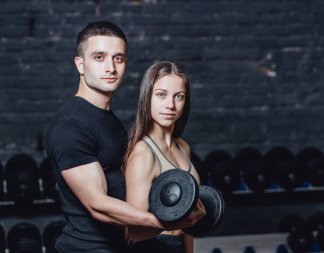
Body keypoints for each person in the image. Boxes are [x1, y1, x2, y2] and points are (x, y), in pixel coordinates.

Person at [44, 21, 205, 253]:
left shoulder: (109, 119)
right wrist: (169, 222)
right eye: (99, 57)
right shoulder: (70, 125)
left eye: (118, 58)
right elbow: (97, 205)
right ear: (80, 64)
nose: (110, 67)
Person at [124, 61, 202, 253]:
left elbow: (189, 219)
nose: (171, 105)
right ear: (147, 98)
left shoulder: (183, 147)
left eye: (179, 97)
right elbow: (132, 232)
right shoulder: (143, 154)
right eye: (161, 95)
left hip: (180, 246)